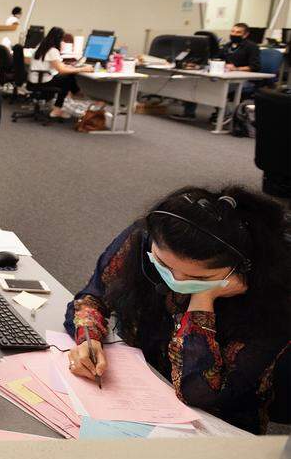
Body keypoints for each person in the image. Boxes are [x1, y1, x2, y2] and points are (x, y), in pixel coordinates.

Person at [65, 186, 290, 434]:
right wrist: (89, 339)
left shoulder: (275, 302)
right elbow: (93, 296)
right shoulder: (149, 239)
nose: (176, 281)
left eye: (197, 277)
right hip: (142, 391)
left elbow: (198, 392)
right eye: (163, 264)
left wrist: (203, 300)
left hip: (216, 427)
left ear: (240, 270)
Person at [30, 26, 91, 118]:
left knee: (67, 78)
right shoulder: (52, 50)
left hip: (35, 79)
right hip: (43, 81)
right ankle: (60, 106)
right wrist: (82, 69)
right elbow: (61, 70)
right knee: (68, 78)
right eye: (62, 40)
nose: (63, 42)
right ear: (58, 39)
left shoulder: (41, 47)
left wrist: (68, 66)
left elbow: (56, 65)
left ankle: (75, 94)